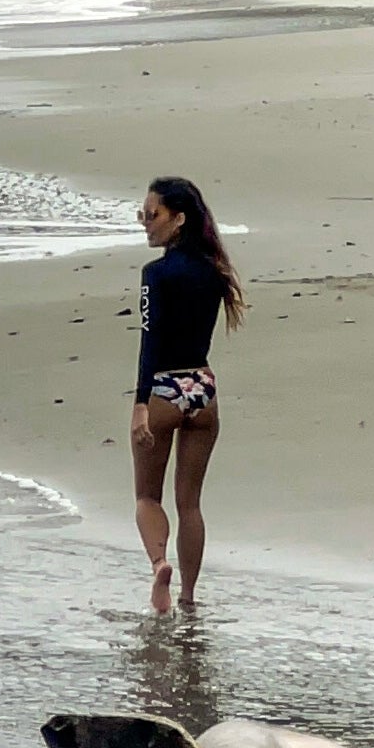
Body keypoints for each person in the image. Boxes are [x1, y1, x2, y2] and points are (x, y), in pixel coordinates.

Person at [129, 176, 245, 613]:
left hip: (163, 387)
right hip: (202, 387)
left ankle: (160, 564)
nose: (145, 223)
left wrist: (141, 404)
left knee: (147, 497)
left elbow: (150, 338)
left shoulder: (155, 274)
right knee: (190, 503)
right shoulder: (215, 270)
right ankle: (190, 598)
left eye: (151, 214)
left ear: (178, 219)